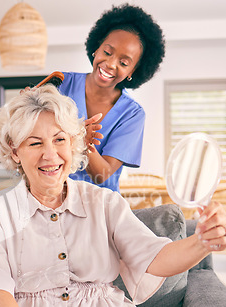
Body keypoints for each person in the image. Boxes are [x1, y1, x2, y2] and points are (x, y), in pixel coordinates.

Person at [0, 85, 226, 307]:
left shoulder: (104, 202)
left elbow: (156, 258)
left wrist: (202, 241)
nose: (50, 154)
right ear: (14, 151)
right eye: (35, 143)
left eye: (60, 139)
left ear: (73, 143)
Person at [58, 4, 166, 192]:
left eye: (123, 63)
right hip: (48, 200)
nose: (110, 64)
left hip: (98, 207)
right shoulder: (61, 83)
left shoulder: (132, 114)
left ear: (133, 71)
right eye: (107, 52)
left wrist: (81, 141)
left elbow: (102, 174)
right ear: (96, 48)